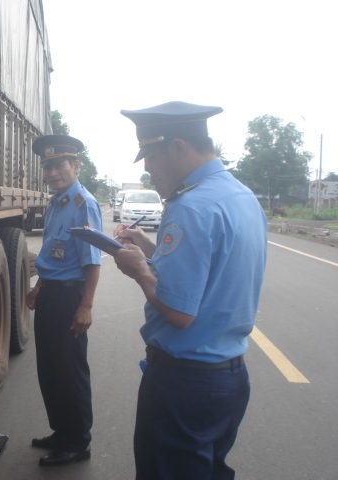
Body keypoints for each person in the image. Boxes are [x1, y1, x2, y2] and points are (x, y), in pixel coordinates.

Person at [113, 101, 268, 479]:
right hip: (227, 381)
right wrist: (150, 250)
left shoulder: (190, 205)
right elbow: (208, 271)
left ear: (178, 147)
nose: (147, 168)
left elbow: (179, 312)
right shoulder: (241, 197)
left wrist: (138, 270)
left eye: (150, 154)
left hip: (184, 385)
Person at [25, 134, 102, 466]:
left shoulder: (84, 204)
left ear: (75, 165)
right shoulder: (55, 203)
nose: (54, 174)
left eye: (60, 166)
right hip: (50, 296)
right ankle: (61, 431)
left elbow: (91, 260)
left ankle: (78, 442)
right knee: (50, 369)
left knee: (70, 372)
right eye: (49, 168)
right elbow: (52, 254)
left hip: (71, 298)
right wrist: (38, 287)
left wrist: (86, 305)